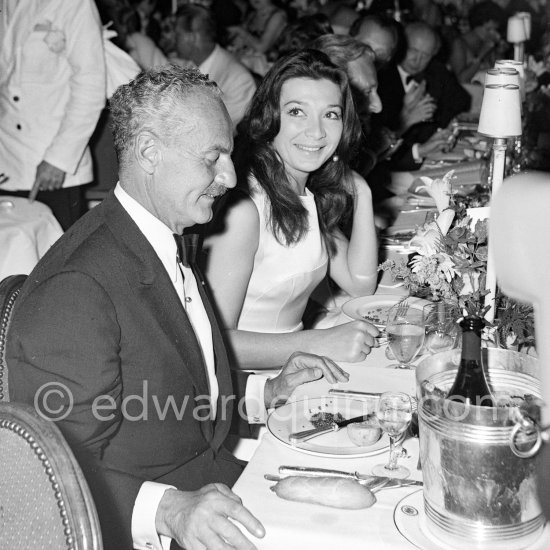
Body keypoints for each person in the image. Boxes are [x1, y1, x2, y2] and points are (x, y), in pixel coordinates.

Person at [7, 65, 348, 550]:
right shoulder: (77, 289)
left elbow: (168, 388)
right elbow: (57, 474)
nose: (230, 177)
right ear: (149, 152)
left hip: (210, 477)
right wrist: (171, 510)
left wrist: (264, 392)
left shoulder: (159, 238)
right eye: (214, 158)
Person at [204, 49, 380, 370]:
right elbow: (213, 345)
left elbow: (360, 283)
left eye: (330, 114)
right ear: (270, 117)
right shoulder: (246, 209)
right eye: (297, 111)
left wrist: (363, 192)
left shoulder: (302, 191)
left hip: (297, 368)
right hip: (252, 389)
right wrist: (317, 341)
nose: (316, 132)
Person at [0, 0, 106, 230]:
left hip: (51, 169)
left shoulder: (74, 4)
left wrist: (58, 160)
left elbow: (90, 87)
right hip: (6, 161)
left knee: (55, 261)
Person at [374, 22, 470, 170]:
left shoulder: (436, 71)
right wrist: (405, 118)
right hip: (393, 165)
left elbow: (461, 100)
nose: (417, 60)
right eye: (413, 51)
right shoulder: (381, 76)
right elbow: (376, 145)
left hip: (426, 155)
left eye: (425, 55)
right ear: (400, 46)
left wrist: (441, 128)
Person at [173, 4, 257, 132]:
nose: (174, 40)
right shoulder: (189, 67)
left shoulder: (238, 80)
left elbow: (222, 133)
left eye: (178, 35)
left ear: (191, 38)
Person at [448, 0, 506, 84]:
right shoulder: (459, 44)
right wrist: (480, 55)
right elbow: (461, 80)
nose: (492, 34)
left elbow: (499, 73)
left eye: (495, 30)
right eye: (488, 29)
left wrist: (499, 51)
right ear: (477, 25)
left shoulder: (488, 44)